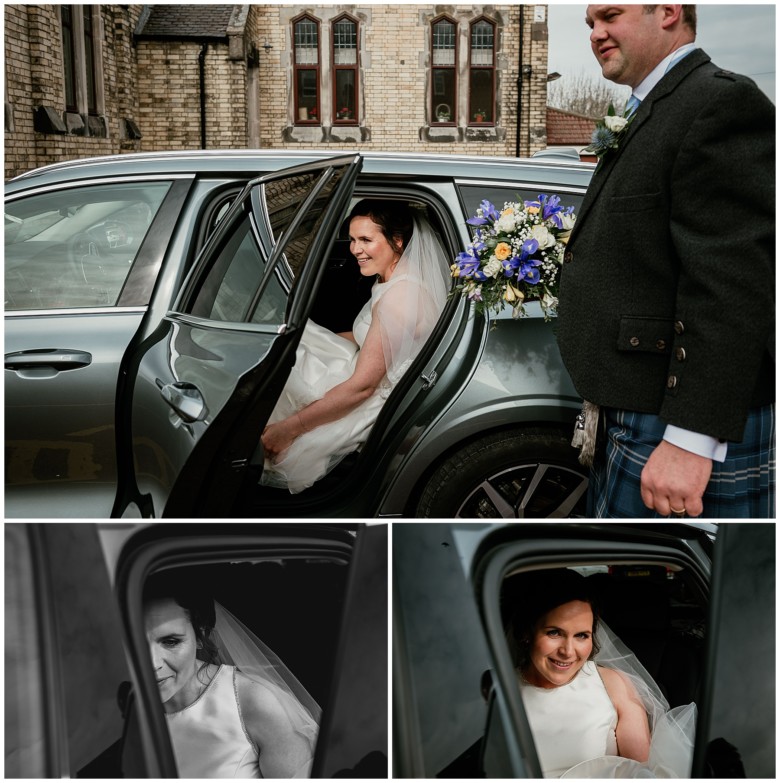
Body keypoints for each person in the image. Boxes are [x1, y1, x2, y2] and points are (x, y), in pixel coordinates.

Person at [556, 5, 775, 517]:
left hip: (674, 419)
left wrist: (691, 440)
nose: (596, 33)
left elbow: (731, 283)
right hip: (636, 407)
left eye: (609, 15)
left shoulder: (718, 102)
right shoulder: (652, 105)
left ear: (670, 11)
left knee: (675, 589)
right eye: (589, 24)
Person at [260, 199, 450, 493]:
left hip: (369, 398)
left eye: (366, 240)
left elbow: (362, 387)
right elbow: (370, 336)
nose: (355, 249)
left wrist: (290, 429)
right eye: (352, 239)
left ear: (397, 241)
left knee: (280, 372)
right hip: (362, 368)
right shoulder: (394, 278)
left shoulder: (400, 300)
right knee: (295, 344)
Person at [504, 569, 695, 778]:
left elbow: (641, 773)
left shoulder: (612, 683)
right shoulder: (499, 691)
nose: (568, 651)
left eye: (581, 636)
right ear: (526, 633)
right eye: (554, 632)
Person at [143, 574, 320, 778]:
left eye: (171, 641)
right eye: (135, 642)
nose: (153, 664)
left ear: (200, 637)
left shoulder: (253, 703)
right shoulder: (113, 709)